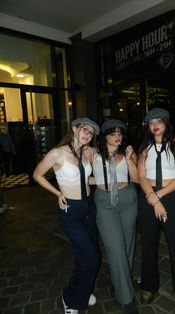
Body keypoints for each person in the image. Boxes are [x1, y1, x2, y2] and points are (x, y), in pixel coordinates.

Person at [33, 117, 101, 314]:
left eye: (91, 132)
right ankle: (70, 300)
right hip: (70, 210)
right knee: (92, 258)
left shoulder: (88, 152)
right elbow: (37, 174)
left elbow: (87, 179)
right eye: (84, 130)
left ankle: (83, 291)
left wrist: (111, 182)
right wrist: (58, 193)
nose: (88, 134)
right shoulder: (57, 153)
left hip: (89, 207)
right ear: (74, 129)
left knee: (83, 257)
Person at [137, 108, 175, 314]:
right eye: (150, 122)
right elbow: (141, 176)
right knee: (148, 243)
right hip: (148, 196)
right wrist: (152, 198)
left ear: (166, 123)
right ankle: (148, 286)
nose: (154, 125)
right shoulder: (144, 147)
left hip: (170, 197)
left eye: (158, 121)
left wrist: (158, 197)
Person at [91, 119, 139, 314]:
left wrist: (129, 158)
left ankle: (120, 282)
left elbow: (136, 178)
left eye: (120, 133)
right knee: (116, 247)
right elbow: (78, 173)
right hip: (105, 202)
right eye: (113, 133)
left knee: (128, 245)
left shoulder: (127, 152)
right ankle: (126, 297)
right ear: (104, 136)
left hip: (128, 198)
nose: (117, 136)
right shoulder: (92, 153)